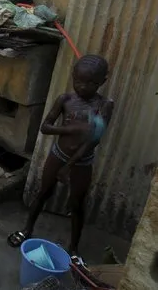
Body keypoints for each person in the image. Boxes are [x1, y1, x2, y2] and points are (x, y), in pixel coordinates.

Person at [7, 55, 114, 259]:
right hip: (58, 155)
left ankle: (73, 249)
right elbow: (45, 127)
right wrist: (70, 129)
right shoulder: (65, 100)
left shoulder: (104, 106)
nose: (82, 87)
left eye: (90, 83)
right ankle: (27, 230)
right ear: (73, 77)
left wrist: (69, 166)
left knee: (77, 204)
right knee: (43, 193)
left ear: (102, 82)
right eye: (78, 81)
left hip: (82, 162)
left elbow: (93, 141)